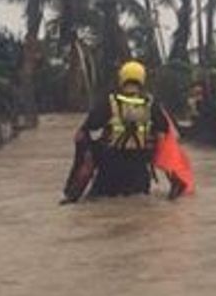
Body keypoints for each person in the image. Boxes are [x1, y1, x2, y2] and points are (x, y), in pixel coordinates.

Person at [71, 60, 175, 199]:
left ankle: (71, 195)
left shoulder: (109, 101)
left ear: (122, 78)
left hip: (109, 169)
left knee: (98, 205)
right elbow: (164, 129)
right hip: (139, 170)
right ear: (142, 79)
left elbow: (91, 126)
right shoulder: (151, 104)